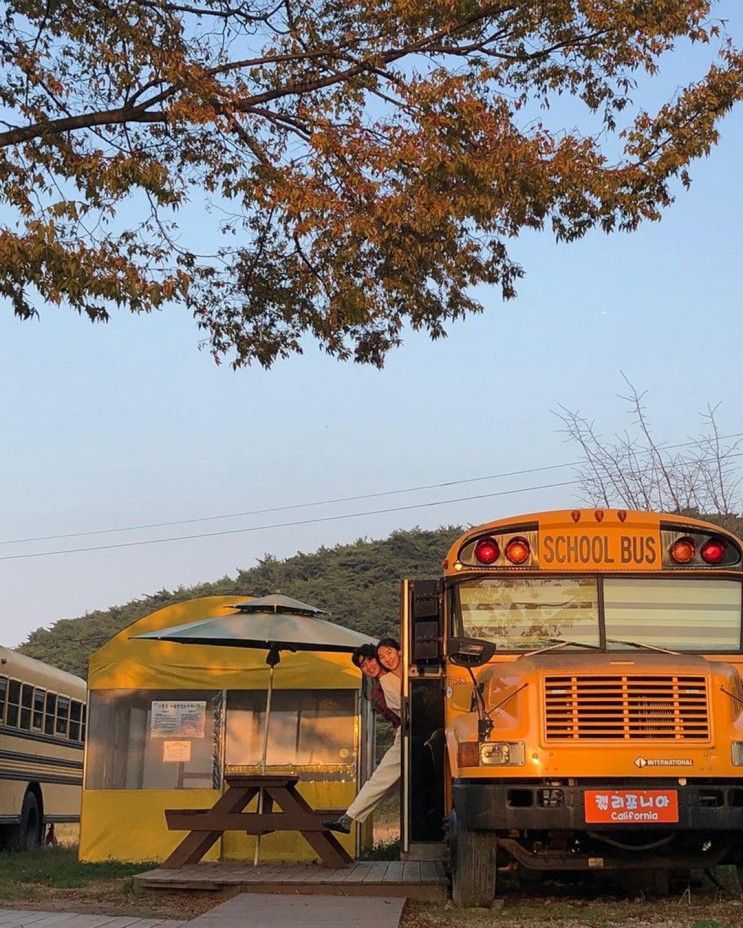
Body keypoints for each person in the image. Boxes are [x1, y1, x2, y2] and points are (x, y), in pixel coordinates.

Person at [323, 638, 401, 834]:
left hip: (418, 728)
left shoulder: (398, 673)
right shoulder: (377, 690)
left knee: (382, 777)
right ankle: (348, 817)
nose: (369, 667)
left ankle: (348, 817)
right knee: (381, 777)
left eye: (370, 661)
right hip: (406, 732)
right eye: (363, 666)